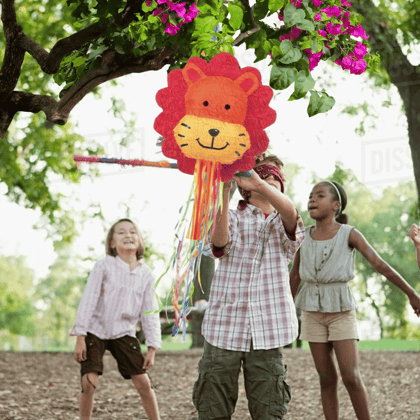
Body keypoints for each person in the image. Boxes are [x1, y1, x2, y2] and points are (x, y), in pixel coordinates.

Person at [290, 181, 420, 420]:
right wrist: (285, 310)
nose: (312, 200)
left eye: (320, 196)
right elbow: (295, 275)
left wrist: (411, 293)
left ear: (335, 205)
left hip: (341, 310)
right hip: (311, 311)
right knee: (326, 378)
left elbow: (380, 265)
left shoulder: (350, 234)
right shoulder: (303, 237)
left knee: (350, 375)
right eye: (310, 196)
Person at [192, 154, 306, 420]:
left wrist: (259, 182)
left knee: (268, 408)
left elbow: (290, 212)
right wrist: (223, 190)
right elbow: (219, 244)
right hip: (223, 327)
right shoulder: (231, 215)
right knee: (212, 406)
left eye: (273, 178)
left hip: (269, 330)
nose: (266, 180)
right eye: (260, 175)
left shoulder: (283, 221)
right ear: (243, 188)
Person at [70, 218, 161, 420]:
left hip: (124, 331)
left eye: (132, 232)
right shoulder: (104, 266)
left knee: (144, 382)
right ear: (112, 243)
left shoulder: (146, 274)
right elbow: (89, 300)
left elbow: (149, 311)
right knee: (88, 382)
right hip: (96, 329)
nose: (128, 235)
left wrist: (153, 348)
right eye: (121, 232)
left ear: (139, 241)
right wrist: (80, 336)